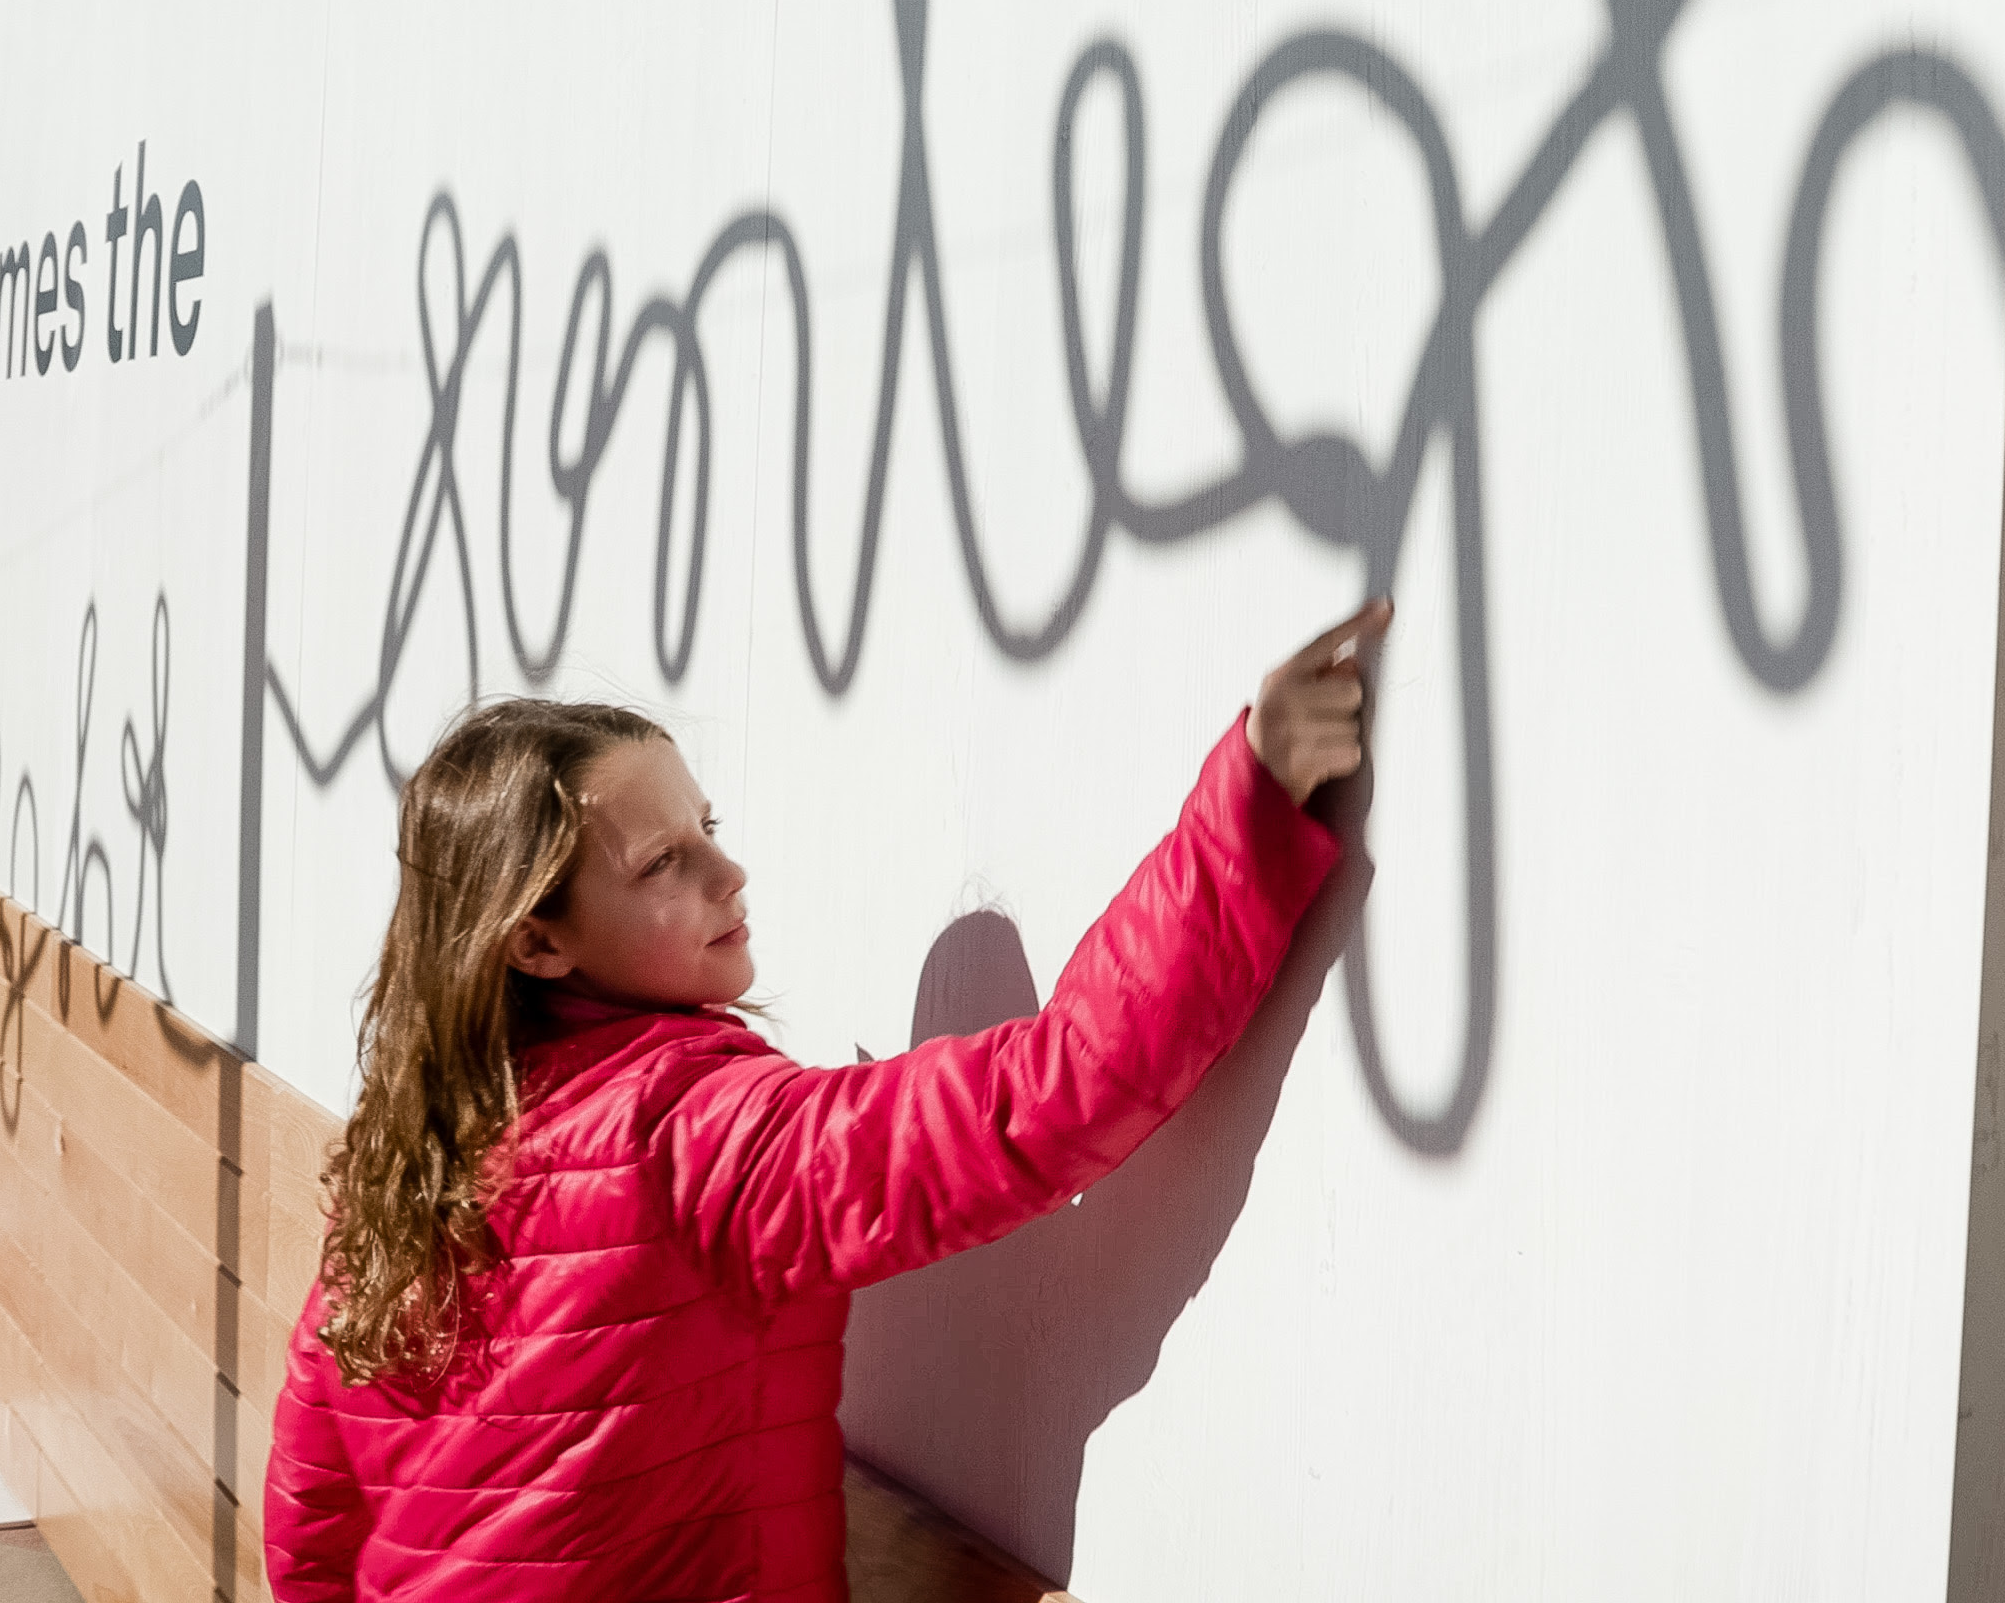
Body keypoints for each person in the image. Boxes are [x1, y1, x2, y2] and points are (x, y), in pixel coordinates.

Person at [263, 601, 1390, 1602]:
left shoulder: (405, 1162)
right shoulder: (702, 1138)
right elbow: (1047, 1096)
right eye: (663, 862)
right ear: (539, 942)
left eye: (711, 828)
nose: (726, 873)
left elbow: (310, 1525)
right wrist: (1249, 803)